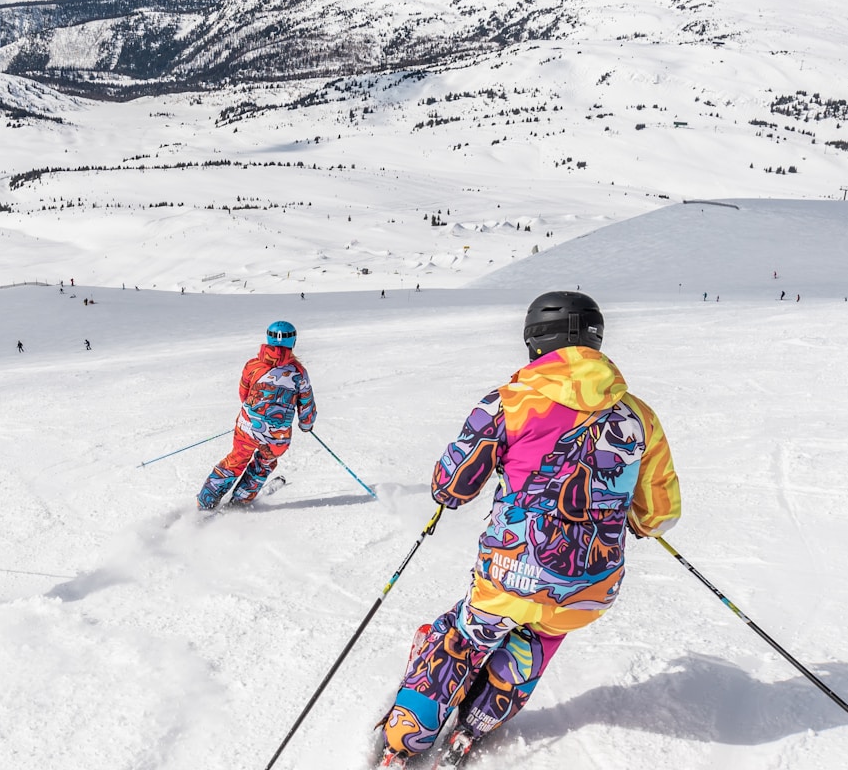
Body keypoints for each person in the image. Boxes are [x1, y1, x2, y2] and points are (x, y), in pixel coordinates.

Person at [373, 292, 681, 767]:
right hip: (591, 584)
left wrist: (449, 492)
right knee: (537, 639)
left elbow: (453, 485)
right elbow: (658, 514)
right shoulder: (639, 416)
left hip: (511, 571)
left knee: (465, 635)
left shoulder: (510, 402)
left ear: (537, 342)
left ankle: (405, 737)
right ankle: (476, 723)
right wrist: (636, 518)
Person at [197, 321, 316, 510]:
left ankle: (207, 499)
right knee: (264, 463)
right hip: (277, 436)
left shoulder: (253, 365)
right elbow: (306, 403)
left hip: (247, 427)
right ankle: (241, 500)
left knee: (237, 458)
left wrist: (254, 415)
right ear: (293, 342)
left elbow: (244, 394)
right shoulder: (299, 373)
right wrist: (306, 424)